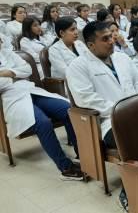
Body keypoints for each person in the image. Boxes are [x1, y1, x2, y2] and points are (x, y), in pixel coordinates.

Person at [66, 21, 138, 212]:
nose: (111, 41)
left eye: (111, 36)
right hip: (109, 122)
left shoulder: (122, 58)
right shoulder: (77, 67)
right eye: (105, 39)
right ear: (90, 45)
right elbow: (86, 100)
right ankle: (128, 192)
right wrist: (123, 110)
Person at [0, 37, 82, 180]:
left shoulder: (7, 53)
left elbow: (27, 69)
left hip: (30, 89)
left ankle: (82, 155)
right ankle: (65, 167)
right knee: (43, 123)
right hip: (11, 98)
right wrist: (15, 74)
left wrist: (9, 73)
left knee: (68, 110)